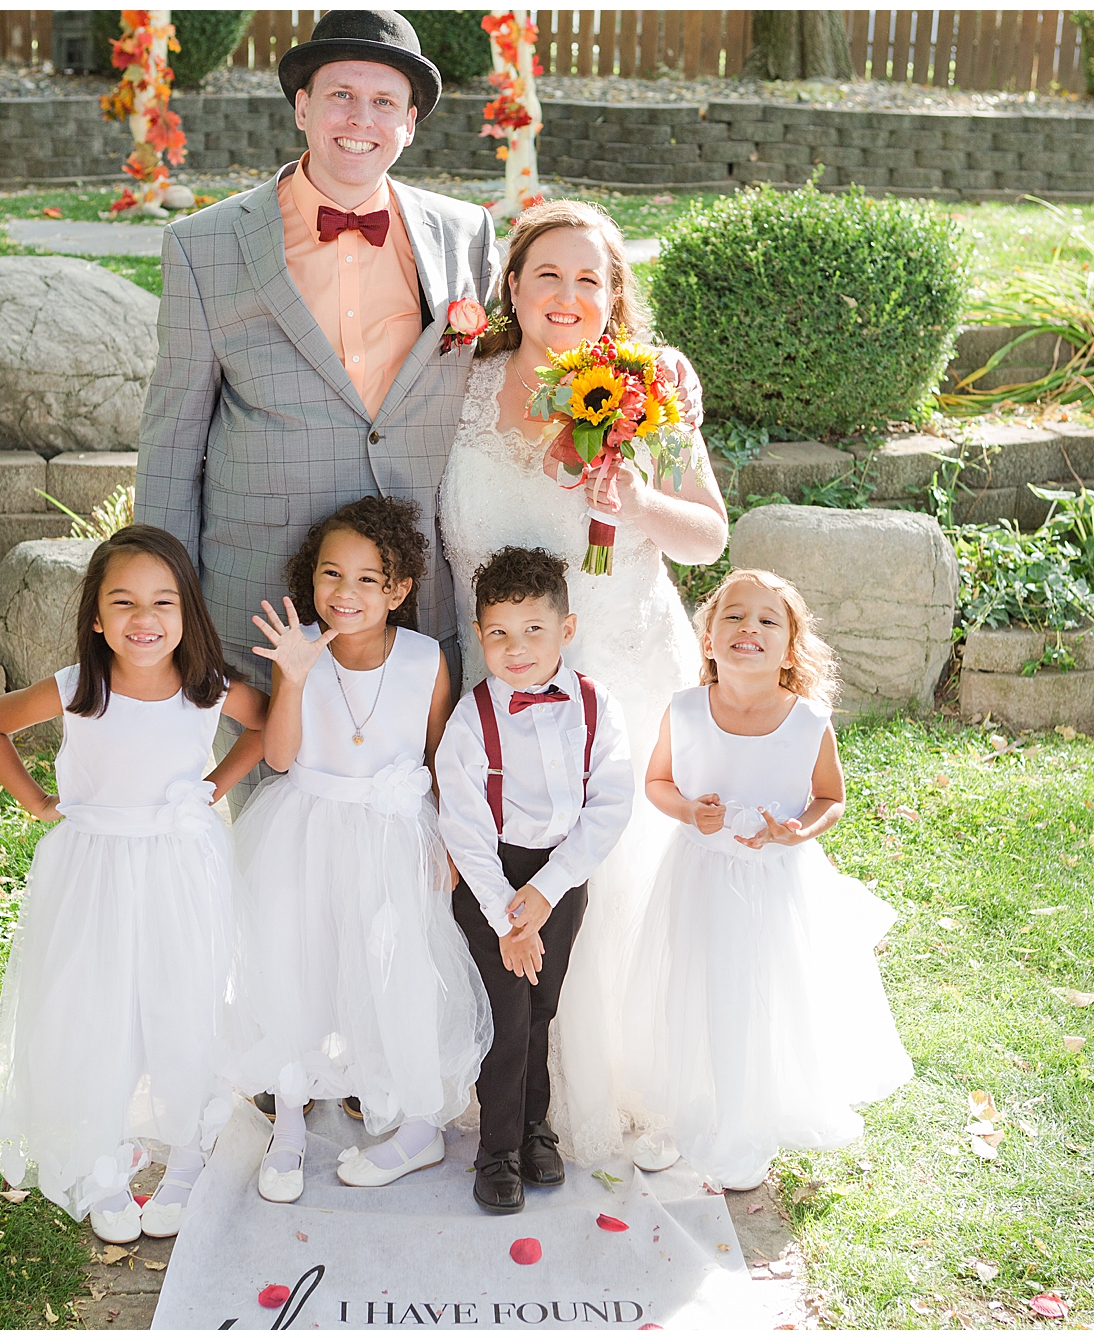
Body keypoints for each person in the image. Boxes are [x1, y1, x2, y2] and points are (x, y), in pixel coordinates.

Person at [438, 199, 729, 1165]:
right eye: (547, 276)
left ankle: (614, 1077)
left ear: (614, 298)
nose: (567, 297)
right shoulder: (461, 384)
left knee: (618, 861)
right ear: (512, 286)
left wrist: (639, 500)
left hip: (619, 666)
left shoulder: (653, 392)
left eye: (590, 280)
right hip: (499, 680)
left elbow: (710, 535)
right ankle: (495, 1072)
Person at [136, 9, 497, 712]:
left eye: (384, 102)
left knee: (411, 794)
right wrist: (160, 599)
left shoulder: (467, 233)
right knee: (266, 799)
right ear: (302, 107)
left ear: (410, 124)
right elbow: (172, 436)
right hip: (260, 589)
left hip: (413, 589)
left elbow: (513, 366)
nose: (360, 117)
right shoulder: (203, 245)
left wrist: (644, 381)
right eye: (341, 95)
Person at [0, 526, 271, 1245]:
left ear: (187, 614)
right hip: (95, 869)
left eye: (164, 602)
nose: (145, 619)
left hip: (179, 866)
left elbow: (263, 731)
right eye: (125, 602)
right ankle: (101, 1157)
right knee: (94, 1003)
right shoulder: (79, 689)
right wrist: (38, 802)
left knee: (182, 996)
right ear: (97, 617)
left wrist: (214, 784)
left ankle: (190, 1152)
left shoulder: (205, 688)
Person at [226, 496, 490, 1203]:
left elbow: (439, 758)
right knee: (297, 967)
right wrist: (295, 675)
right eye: (330, 576)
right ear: (310, 582)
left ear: (399, 590)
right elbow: (279, 757)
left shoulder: (427, 659)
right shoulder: (302, 653)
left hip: (395, 835)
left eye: (368, 579)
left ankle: (416, 1123)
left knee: (396, 971)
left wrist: (449, 842)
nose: (346, 594)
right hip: (306, 828)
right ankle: (287, 1126)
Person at [619, 569, 913, 1192]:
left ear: (788, 650)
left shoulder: (806, 721)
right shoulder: (686, 709)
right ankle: (682, 1109)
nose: (748, 627)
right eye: (733, 615)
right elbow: (657, 782)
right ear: (706, 639)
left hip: (774, 885)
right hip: (699, 875)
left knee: (756, 995)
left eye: (767, 620)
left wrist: (799, 830)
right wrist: (687, 811)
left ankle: (746, 1121)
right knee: (692, 985)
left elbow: (830, 796)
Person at [435, 547, 633, 1213]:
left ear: (566, 631)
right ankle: (496, 1152)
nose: (515, 649)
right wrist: (506, 918)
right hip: (493, 878)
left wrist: (549, 892)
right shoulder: (471, 720)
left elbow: (610, 805)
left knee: (543, 1006)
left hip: (562, 877)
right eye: (498, 634)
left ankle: (533, 1128)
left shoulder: (598, 707)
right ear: (479, 633)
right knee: (507, 1015)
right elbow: (462, 826)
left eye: (533, 631)